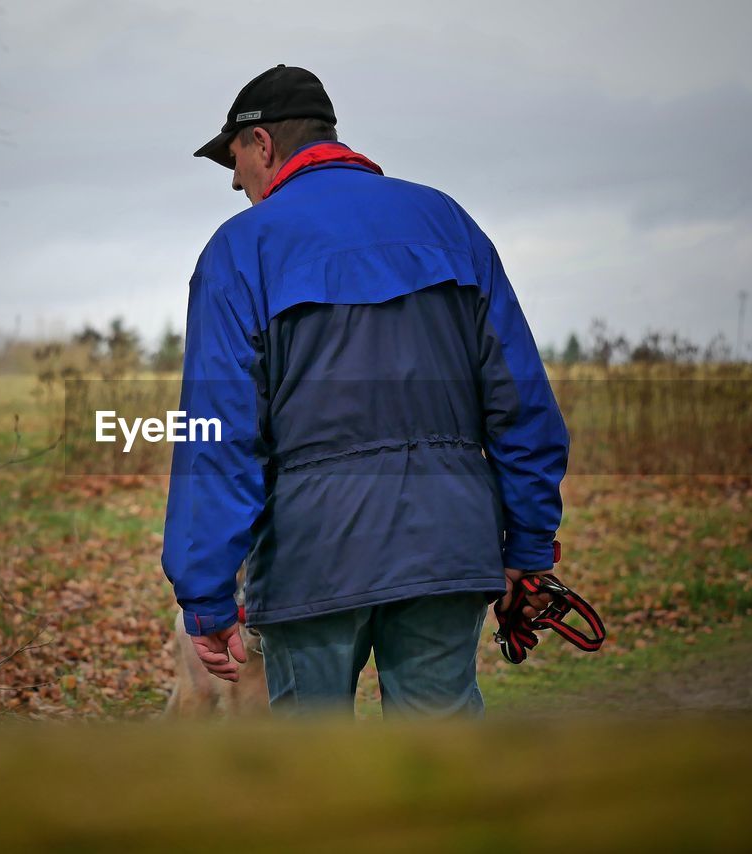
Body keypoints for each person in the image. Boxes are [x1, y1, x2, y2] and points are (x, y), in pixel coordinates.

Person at [161, 65, 569, 717]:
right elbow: (521, 404)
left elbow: (216, 434)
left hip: (310, 558)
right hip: (448, 542)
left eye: (234, 160)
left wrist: (206, 594)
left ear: (262, 144)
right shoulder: (447, 222)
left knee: (313, 780)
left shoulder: (240, 250)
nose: (236, 181)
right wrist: (527, 545)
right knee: (444, 768)